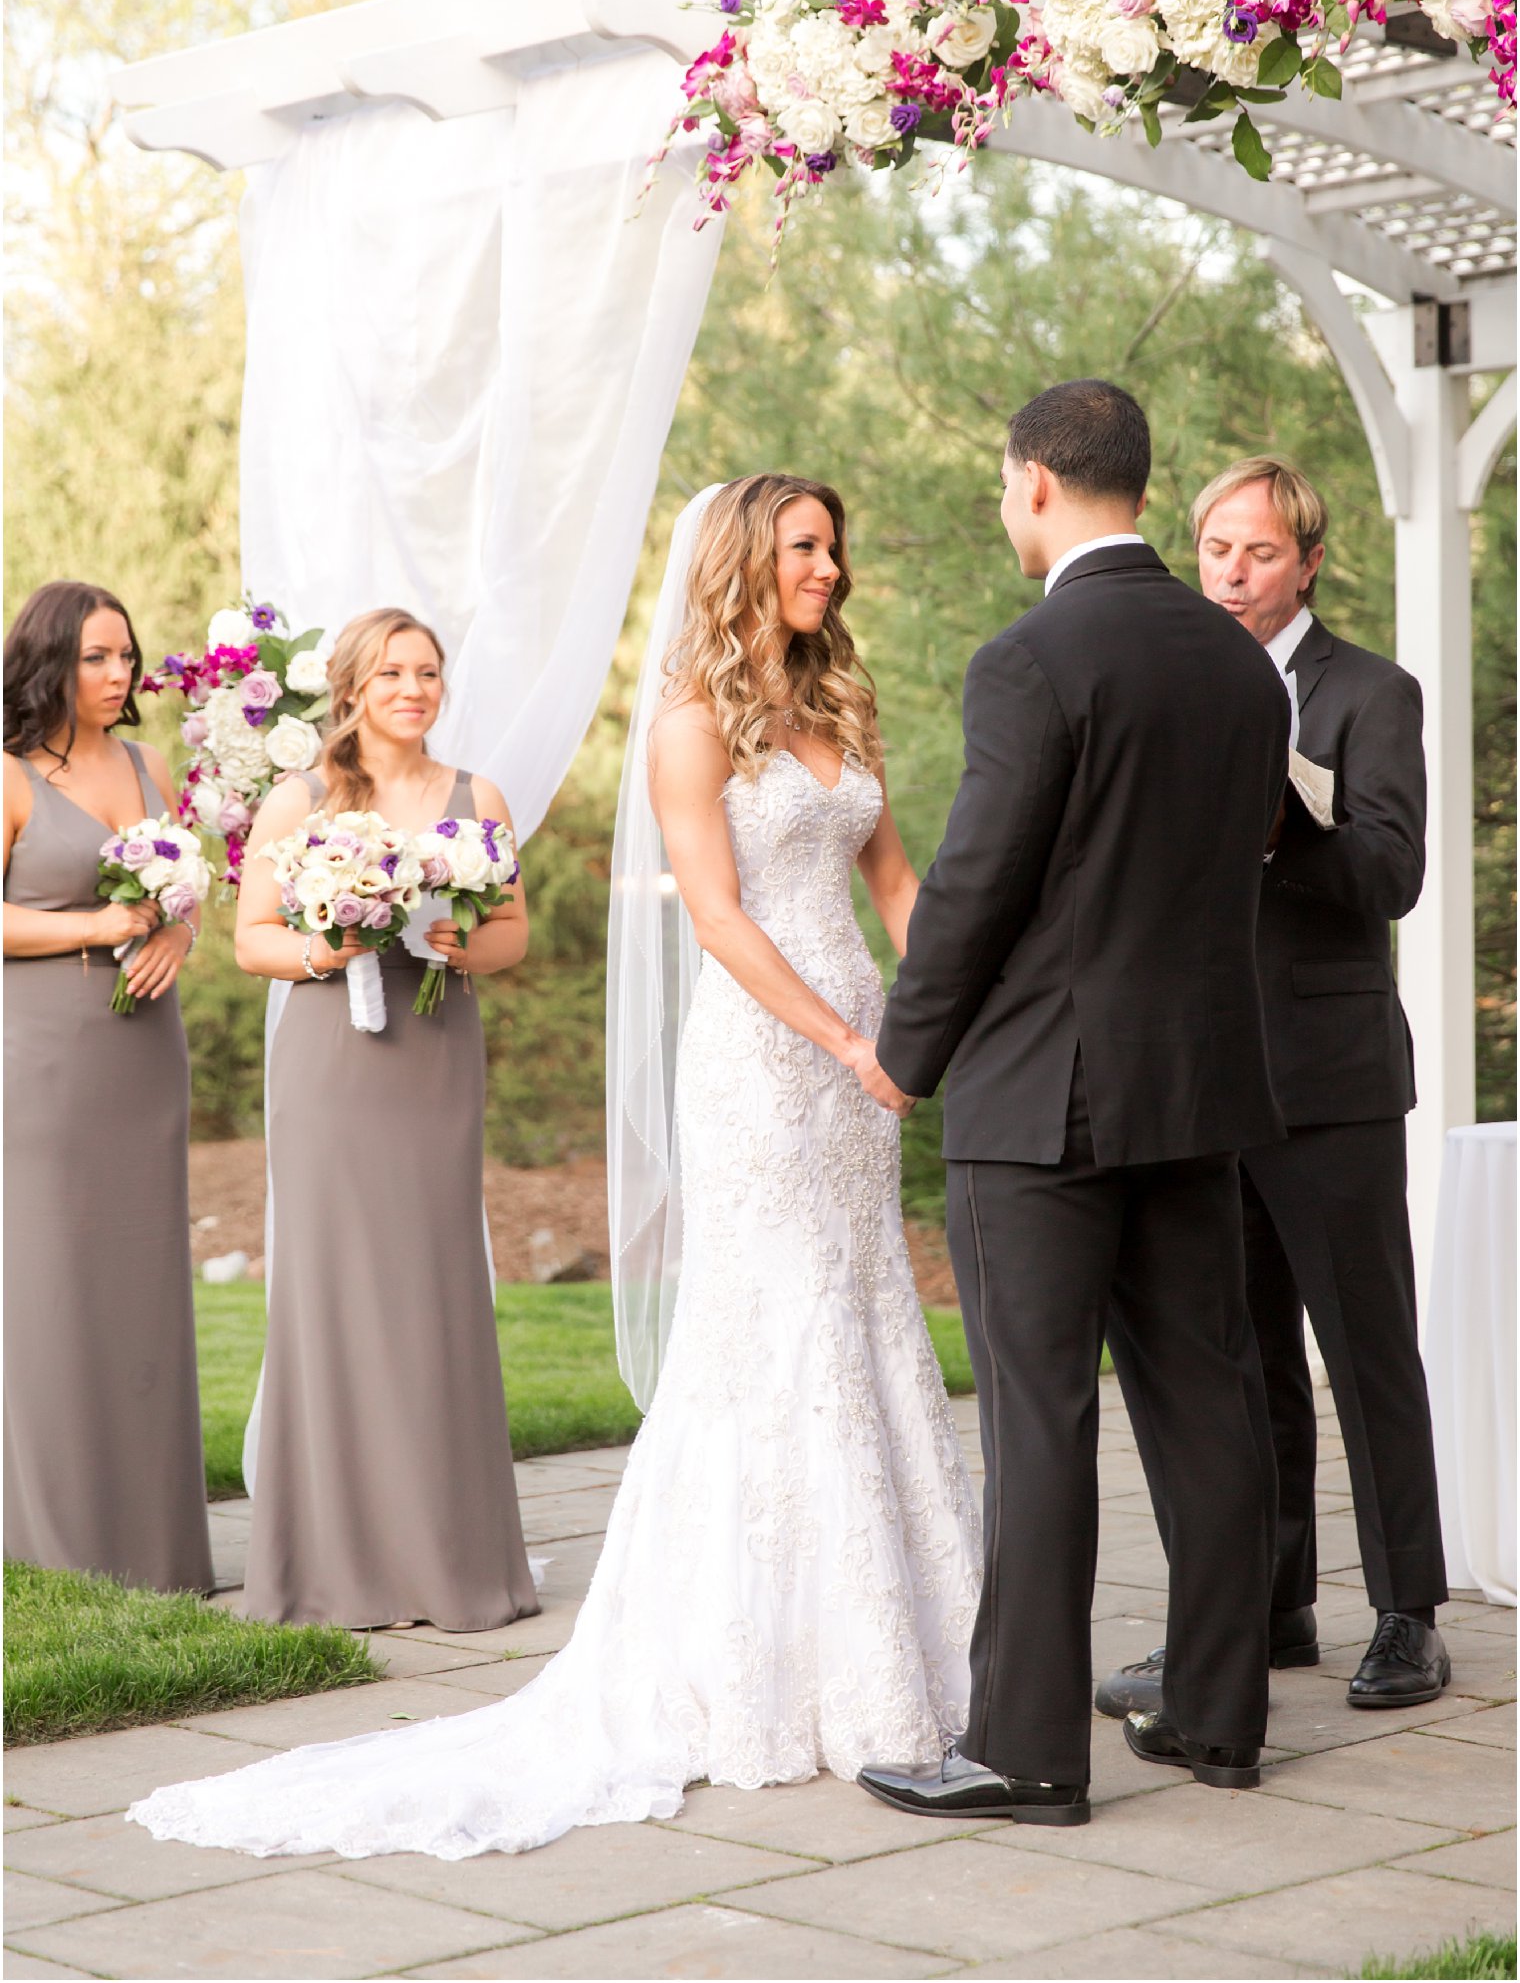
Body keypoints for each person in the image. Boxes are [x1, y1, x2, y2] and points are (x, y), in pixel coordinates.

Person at [128, 478, 979, 1862]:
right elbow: (712, 911)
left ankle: (900, 1634)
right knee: (771, 1325)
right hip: (769, 1057)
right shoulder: (693, 726)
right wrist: (838, 1036)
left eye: (835, 542)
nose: (833, 564)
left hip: (864, 1052)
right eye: (806, 546)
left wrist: (943, 999)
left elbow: (894, 881)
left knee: (865, 1309)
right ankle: (747, 1655)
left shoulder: (840, 707)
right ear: (744, 565)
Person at [856, 380, 1288, 1827]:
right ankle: (1223, 1719)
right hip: (1198, 1091)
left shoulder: (1032, 659)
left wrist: (904, 1051)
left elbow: (977, 888)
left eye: (999, 486)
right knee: (1208, 1403)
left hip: (1041, 1099)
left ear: (1036, 480)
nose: (1000, 509)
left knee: (1039, 1425)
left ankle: (1028, 1751)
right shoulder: (1243, 670)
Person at [1096, 458, 1448, 1722]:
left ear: (1306, 559)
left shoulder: (1370, 693)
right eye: (1212, 551)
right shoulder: (1182, 686)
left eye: (1254, 554)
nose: (1230, 574)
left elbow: (1389, 874)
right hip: (1208, 1075)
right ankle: (1266, 1605)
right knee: (1236, 1363)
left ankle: (1408, 1613)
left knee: (1364, 1350)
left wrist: (1283, 823)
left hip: (1331, 1077)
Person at [229, 606, 540, 1634]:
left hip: (435, 1044)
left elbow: (512, 935)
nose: (414, 689)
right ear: (353, 688)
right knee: (332, 1294)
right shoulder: (300, 798)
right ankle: (332, 1564)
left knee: (433, 1288)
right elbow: (251, 941)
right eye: (393, 673)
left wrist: (457, 941)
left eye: (428, 673)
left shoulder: (472, 797)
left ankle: (444, 1557)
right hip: (333, 1056)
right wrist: (329, 943)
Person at [3, 580, 213, 1595]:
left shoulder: (146, 762)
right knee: (49, 1284)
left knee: (139, 1289)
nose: (120, 674)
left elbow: (181, 888)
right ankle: (50, 1547)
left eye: (126, 655)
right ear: (50, 661)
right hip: (40, 1055)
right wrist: (98, 929)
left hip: (143, 1054)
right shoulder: (6, 776)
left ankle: (157, 1550)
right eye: (97, 656)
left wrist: (174, 926)